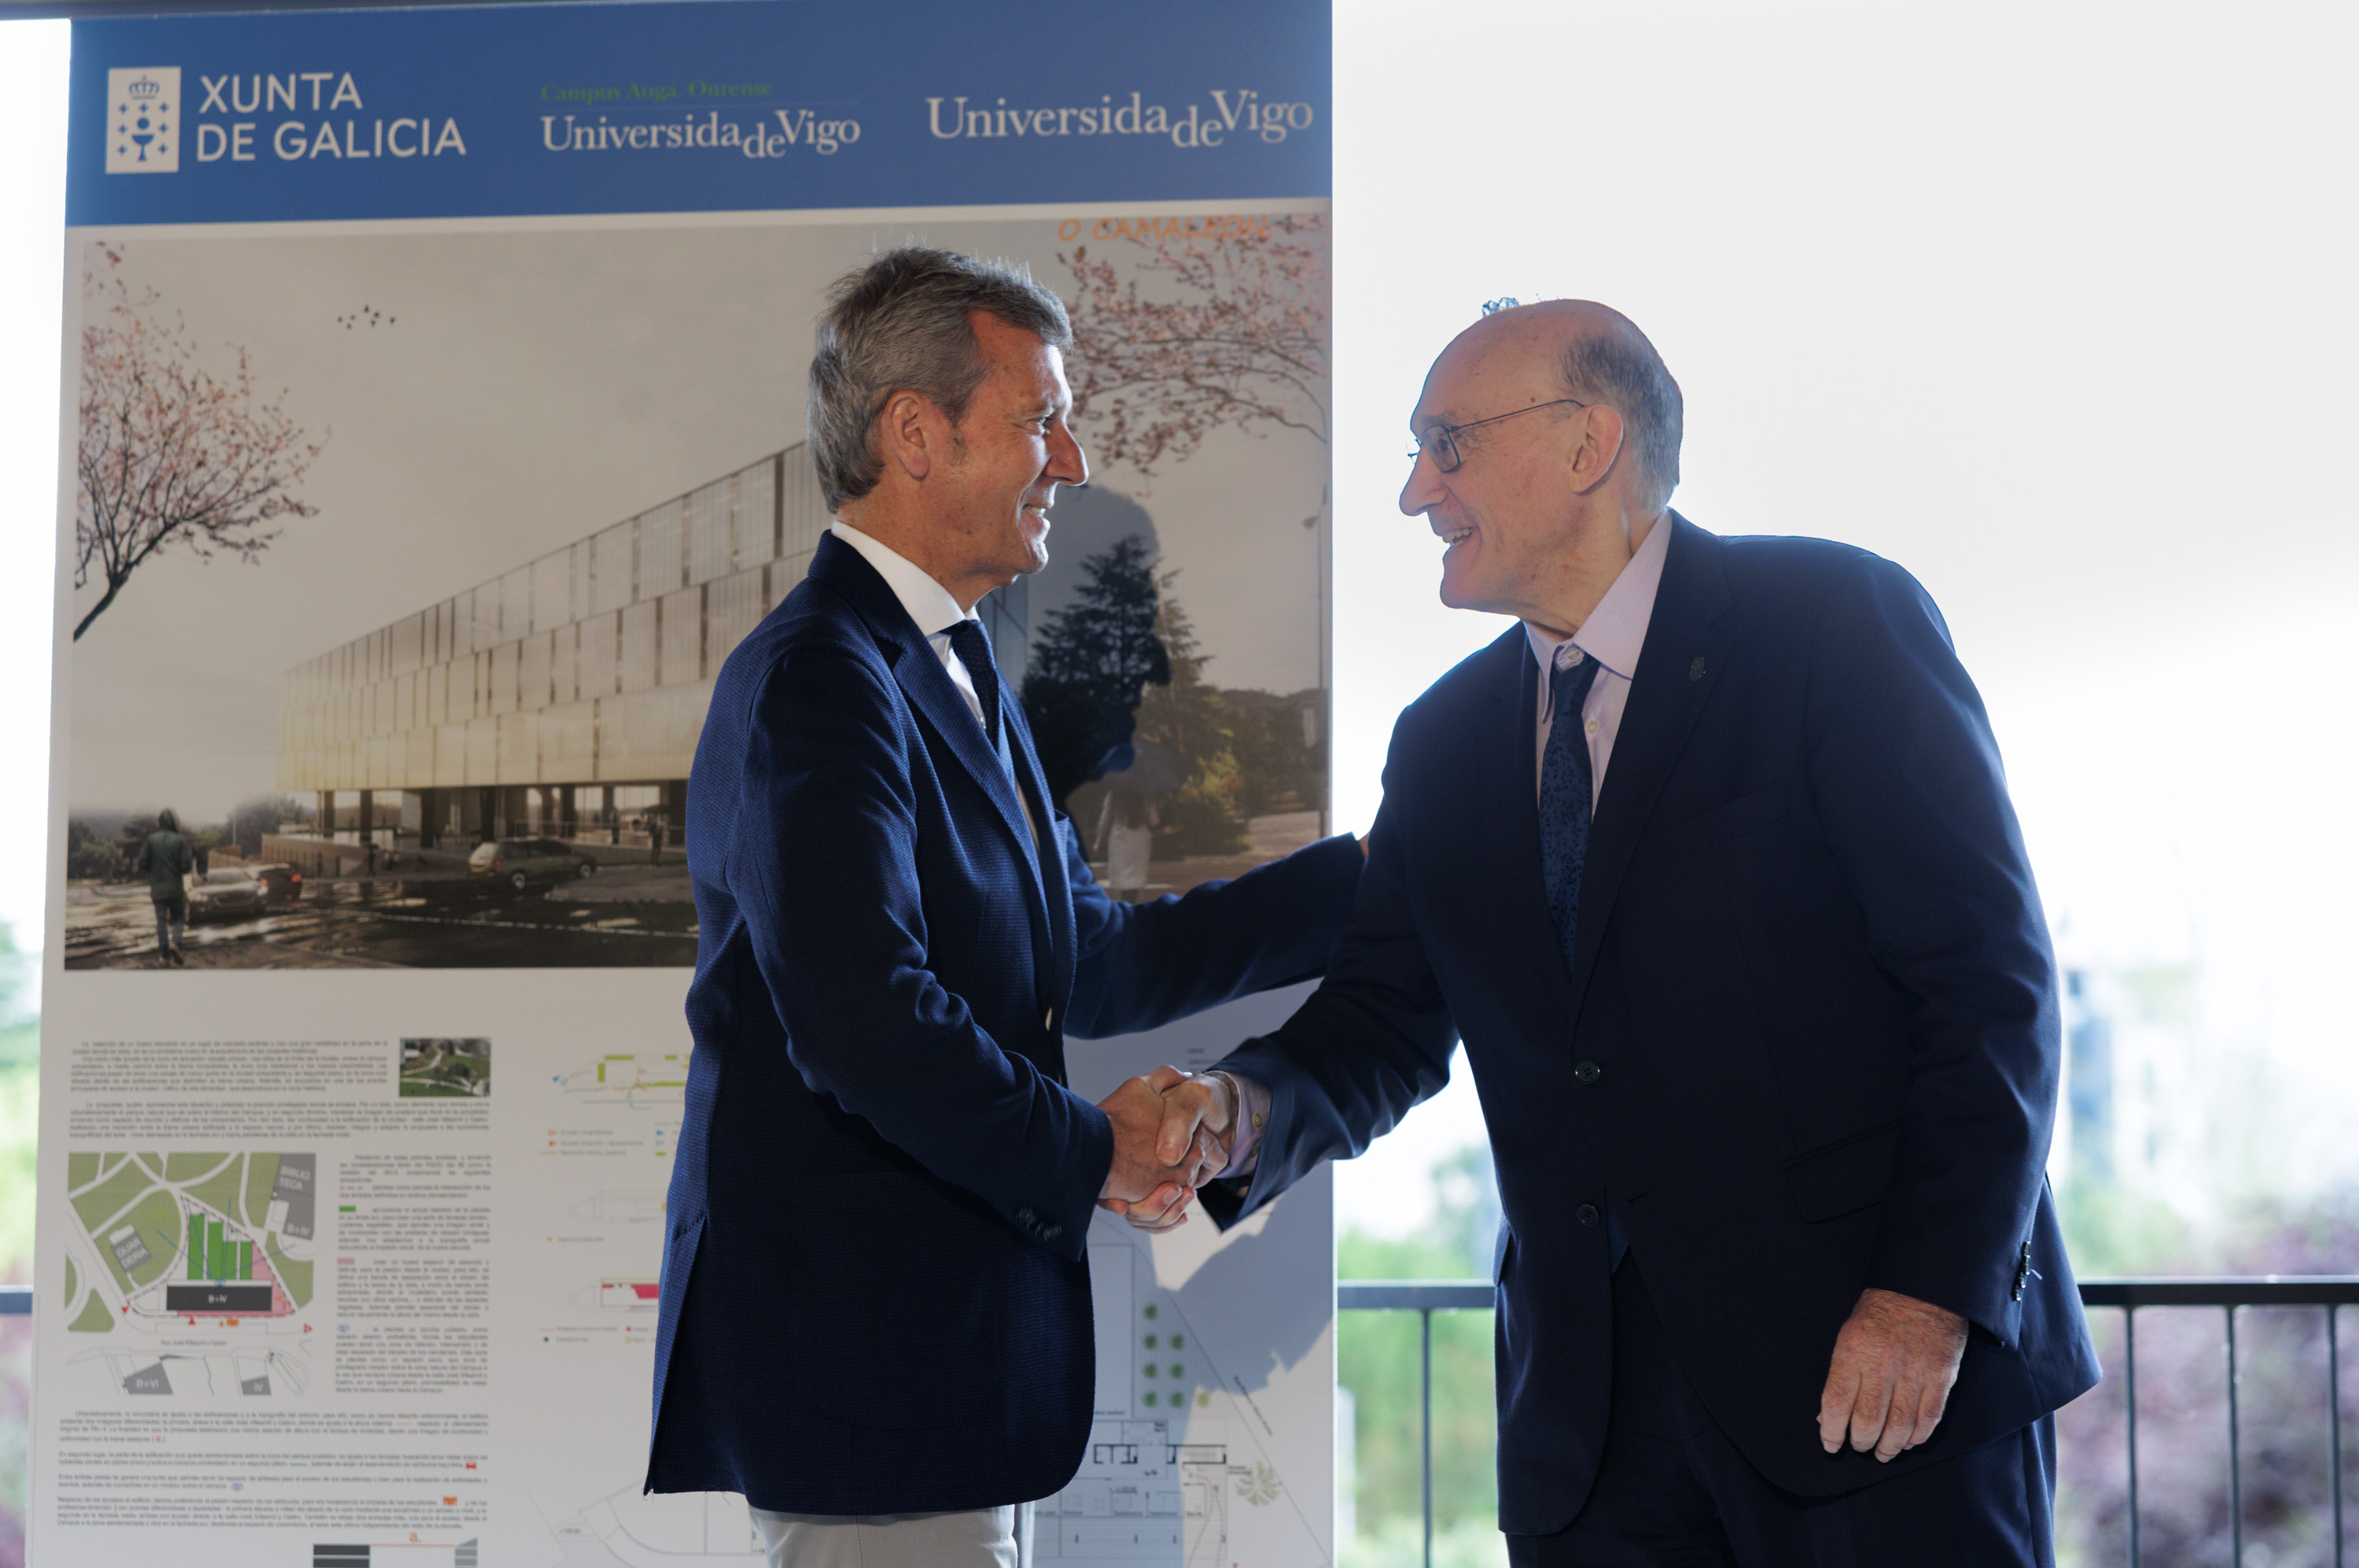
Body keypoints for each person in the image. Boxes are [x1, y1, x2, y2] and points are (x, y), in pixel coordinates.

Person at [1149, 301, 2101, 1564]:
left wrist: (1928, 1296)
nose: (1415, 491)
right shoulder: (1441, 744)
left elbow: (1988, 989)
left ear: (1587, 442)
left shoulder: (1833, 622)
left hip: (1873, 1386)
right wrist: (1234, 1111)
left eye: (1447, 443)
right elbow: (1377, 1026)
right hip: (1592, 1439)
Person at [642, 247, 1366, 1568]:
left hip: (948, 1369)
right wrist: (1096, 1150)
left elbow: (1090, 961)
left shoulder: (954, 664)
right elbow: (864, 1018)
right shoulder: (821, 674)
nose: (1070, 461)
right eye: (1042, 420)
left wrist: (1377, 878)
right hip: (865, 1378)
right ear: (916, 435)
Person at [134, 808, 194, 966]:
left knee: (161, 923)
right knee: (180, 918)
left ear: (160, 822)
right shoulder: (180, 840)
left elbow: (142, 863)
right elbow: (186, 866)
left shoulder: (151, 840)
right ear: (174, 822)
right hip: (175, 889)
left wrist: (154, 869)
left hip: (158, 890)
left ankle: (164, 957)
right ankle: (176, 942)